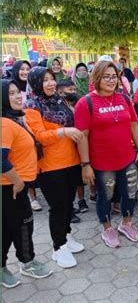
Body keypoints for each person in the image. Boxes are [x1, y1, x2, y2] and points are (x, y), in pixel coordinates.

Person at [75, 59, 138, 248]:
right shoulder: (85, 103)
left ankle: (126, 224)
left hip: (127, 159)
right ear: (97, 77)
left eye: (114, 76)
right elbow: (82, 137)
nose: (111, 80)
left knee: (130, 194)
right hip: (102, 163)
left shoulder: (124, 98)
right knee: (105, 197)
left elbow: (133, 125)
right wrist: (85, 164)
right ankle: (107, 229)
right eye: (106, 76)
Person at [24, 67, 85, 269]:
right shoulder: (32, 106)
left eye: (51, 79)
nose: (50, 83)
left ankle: (66, 237)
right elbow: (39, 136)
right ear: (35, 83)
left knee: (69, 204)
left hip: (71, 161)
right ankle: (58, 248)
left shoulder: (59, 100)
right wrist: (64, 131)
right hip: (50, 166)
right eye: (45, 80)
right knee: (58, 207)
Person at [2, 79, 52, 288]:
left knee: (18, 226)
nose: (17, 96)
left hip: (16, 185)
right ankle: (23, 262)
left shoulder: (15, 119)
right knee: (17, 226)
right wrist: (18, 182)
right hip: (10, 187)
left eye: (17, 92)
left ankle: (24, 260)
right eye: (11, 93)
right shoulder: (4, 123)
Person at [10, 60, 42, 211]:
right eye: (21, 69)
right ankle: (32, 197)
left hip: (32, 127)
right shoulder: (10, 87)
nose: (25, 72)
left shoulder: (34, 87)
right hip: (17, 127)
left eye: (27, 69)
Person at [56, 79, 89, 218]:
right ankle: (68, 209)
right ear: (60, 92)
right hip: (63, 150)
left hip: (77, 146)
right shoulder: (57, 108)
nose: (73, 92)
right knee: (67, 180)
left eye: (74, 89)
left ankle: (81, 201)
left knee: (78, 176)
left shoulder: (77, 104)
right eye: (70, 90)